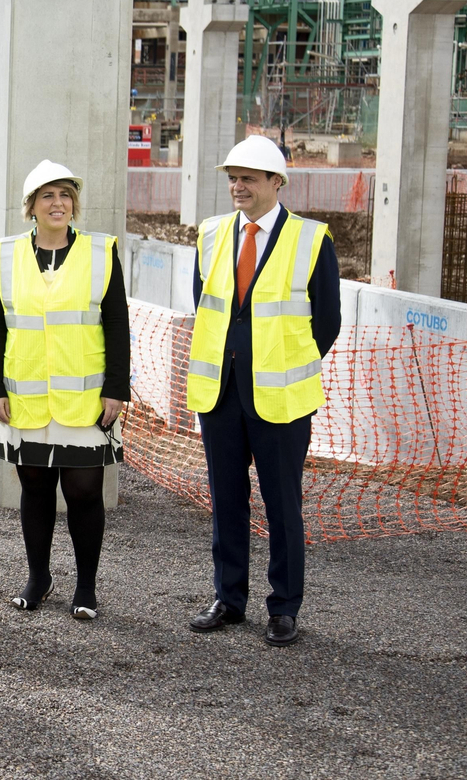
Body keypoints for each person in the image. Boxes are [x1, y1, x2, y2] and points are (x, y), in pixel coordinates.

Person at [186, 135, 340, 648]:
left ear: (277, 183)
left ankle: (284, 607)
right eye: (233, 177)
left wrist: (281, 361)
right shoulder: (210, 235)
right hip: (221, 395)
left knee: (282, 506)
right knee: (226, 502)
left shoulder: (312, 239)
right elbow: (208, 307)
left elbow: (328, 321)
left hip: (280, 397)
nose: (238, 186)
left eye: (249, 178)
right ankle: (228, 599)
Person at [0, 161, 128, 620]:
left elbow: (117, 324)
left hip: (85, 400)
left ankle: (86, 587)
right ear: (31, 207)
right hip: (25, 397)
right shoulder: (4, 256)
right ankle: (38, 577)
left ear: (74, 205)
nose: (57, 203)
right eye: (47, 196)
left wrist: (116, 388)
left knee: (85, 491)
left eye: (65, 195)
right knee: (36, 488)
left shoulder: (102, 253)